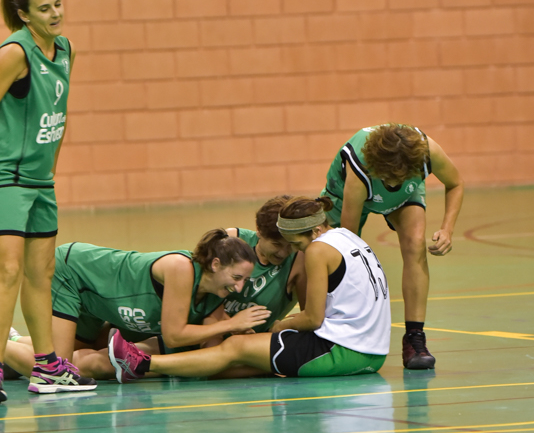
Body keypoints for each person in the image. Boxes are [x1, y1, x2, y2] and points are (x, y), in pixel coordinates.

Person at [108, 196, 391, 382]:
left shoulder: (317, 249)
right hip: (372, 351)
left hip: (342, 350)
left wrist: (279, 326)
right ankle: (157, 360)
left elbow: (313, 318)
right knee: (232, 357)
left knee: (235, 348)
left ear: (314, 231)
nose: (294, 252)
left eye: (296, 244)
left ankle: (143, 364)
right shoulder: (347, 236)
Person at [0, 0, 96, 401]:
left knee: (42, 273)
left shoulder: (66, 49)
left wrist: (51, 169)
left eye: (58, 3)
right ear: (24, 15)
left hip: (40, 181)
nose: (55, 13)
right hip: (7, 179)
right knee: (8, 272)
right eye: (44, 8)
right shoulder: (13, 53)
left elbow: (60, 110)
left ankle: (48, 367)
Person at [2, 229, 270, 382]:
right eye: (237, 278)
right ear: (215, 264)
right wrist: (231, 324)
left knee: (74, 349)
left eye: (244, 280)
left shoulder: (214, 294)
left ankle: (12, 343)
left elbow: (211, 352)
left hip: (97, 302)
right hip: (74, 274)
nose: (239, 288)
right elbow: (174, 335)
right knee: (58, 370)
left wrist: (238, 336)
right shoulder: (181, 268)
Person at [321, 123, 464, 370]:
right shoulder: (360, 167)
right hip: (344, 195)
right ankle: (324, 325)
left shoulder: (428, 152)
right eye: (391, 177)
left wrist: (447, 229)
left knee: (415, 245)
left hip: (404, 196)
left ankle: (415, 338)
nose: (394, 181)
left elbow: (456, 183)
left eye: (400, 176)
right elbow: (348, 241)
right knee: (333, 256)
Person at [224, 195, 307, 332]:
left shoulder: (299, 259)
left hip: (257, 340)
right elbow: (203, 297)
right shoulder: (232, 240)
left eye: (290, 245)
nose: (283, 253)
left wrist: (282, 326)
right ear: (259, 230)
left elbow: (307, 315)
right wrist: (232, 325)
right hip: (212, 332)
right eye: (276, 244)